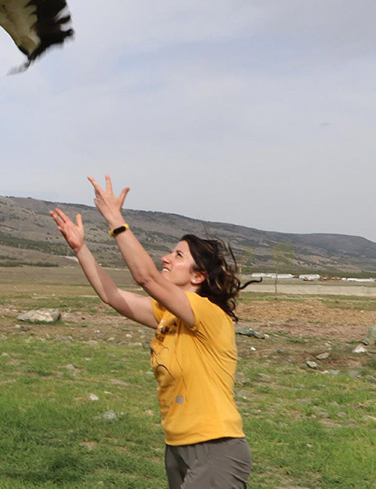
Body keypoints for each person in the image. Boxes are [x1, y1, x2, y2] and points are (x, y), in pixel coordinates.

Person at [50, 175, 253, 489]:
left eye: (178, 256)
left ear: (198, 276)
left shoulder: (208, 316)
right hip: (177, 448)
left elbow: (146, 278)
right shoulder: (169, 315)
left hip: (216, 449)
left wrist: (116, 220)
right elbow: (113, 296)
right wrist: (81, 249)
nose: (166, 258)